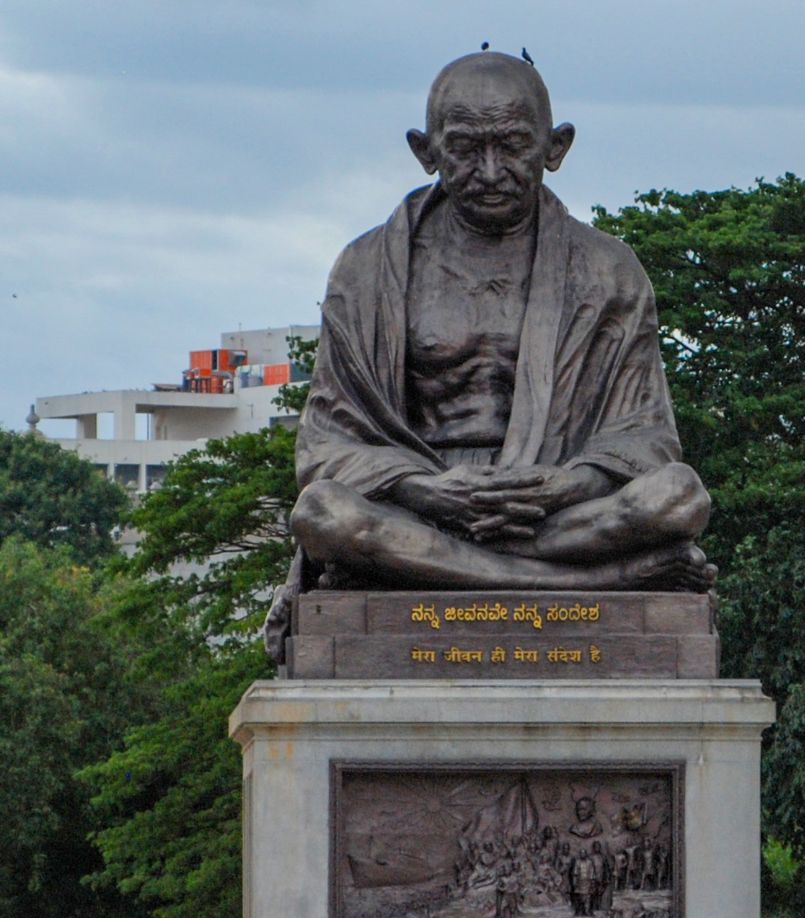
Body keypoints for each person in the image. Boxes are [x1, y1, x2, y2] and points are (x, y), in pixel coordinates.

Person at [280, 50, 715, 603]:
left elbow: (645, 436)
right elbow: (326, 443)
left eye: (511, 146)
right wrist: (429, 492)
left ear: (554, 148)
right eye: (464, 148)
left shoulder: (608, 270)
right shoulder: (366, 270)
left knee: (678, 497)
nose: (489, 172)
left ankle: (443, 570)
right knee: (323, 512)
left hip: (557, 511)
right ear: (426, 150)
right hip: (420, 505)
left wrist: (562, 487)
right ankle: (589, 581)